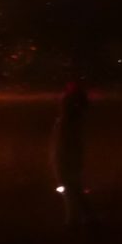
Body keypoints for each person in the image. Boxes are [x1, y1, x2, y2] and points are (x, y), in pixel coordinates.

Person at [51, 76, 96, 226]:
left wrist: (57, 157)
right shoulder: (72, 122)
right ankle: (79, 218)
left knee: (70, 186)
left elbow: (63, 144)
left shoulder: (67, 123)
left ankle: (76, 219)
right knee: (73, 186)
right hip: (71, 155)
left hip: (66, 156)